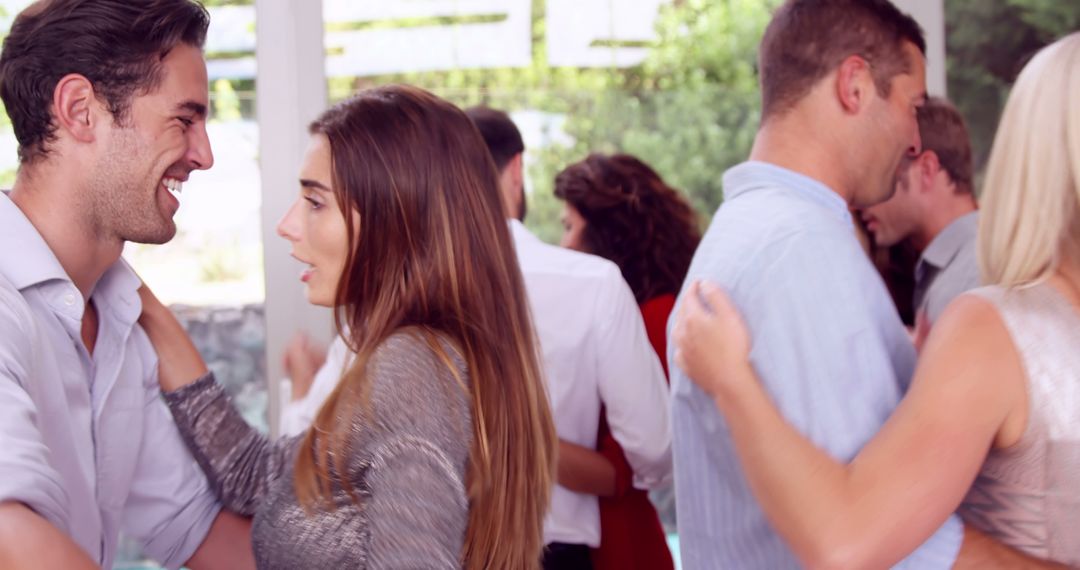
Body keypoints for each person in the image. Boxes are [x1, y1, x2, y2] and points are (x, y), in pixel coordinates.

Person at [673, 31, 1080, 570]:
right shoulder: (798, 248)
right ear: (854, 86)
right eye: (914, 106)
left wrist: (733, 382)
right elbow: (859, 542)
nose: (917, 140)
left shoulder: (783, 242)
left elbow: (854, 538)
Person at [139, 85, 558, 569]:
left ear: (396, 218)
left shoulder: (413, 368)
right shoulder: (420, 359)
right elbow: (256, 477)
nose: (287, 225)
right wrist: (141, 304)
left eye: (316, 203)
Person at [0, 1, 253, 568]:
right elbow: (9, 538)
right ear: (80, 110)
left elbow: (192, 527)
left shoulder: (117, 318)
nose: (204, 156)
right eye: (183, 120)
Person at [554, 152, 700, 570]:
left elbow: (619, 472)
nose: (563, 243)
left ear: (607, 233)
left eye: (569, 226)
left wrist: (513, 431)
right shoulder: (639, 312)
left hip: (618, 548)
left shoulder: (657, 317)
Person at [862, 97, 980, 326]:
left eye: (876, 175)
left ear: (926, 170)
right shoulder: (952, 270)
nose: (863, 200)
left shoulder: (974, 276)